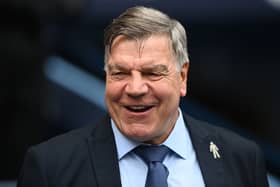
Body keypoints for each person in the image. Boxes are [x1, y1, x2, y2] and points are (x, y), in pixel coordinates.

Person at [18, 6, 269, 187]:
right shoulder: (51, 167)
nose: (135, 89)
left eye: (151, 73)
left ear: (182, 77)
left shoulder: (241, 159)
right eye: (120, 73)